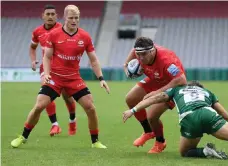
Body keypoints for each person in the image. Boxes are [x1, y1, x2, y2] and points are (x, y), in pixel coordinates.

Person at [11, 4, 110, 149]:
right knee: (39, 106)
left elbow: (93, 59)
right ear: (65, 18)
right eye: (71, 18)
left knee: (91, 108)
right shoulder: (54, 34)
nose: (74, 20)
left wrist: (101, 79)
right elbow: (47, 56)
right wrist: (47, 74)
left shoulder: (85, 36)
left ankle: (95, 142)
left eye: (76, 18)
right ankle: (23, 136)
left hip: (74, 78)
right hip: (55, 78)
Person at [123, 81, 228, 161]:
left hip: (189, 118)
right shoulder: (207, 92)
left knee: (185, 152)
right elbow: (225, 115)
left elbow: (154, 98)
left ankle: (206, 151)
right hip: (208, 114)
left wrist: (133, 110)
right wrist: (214, 127)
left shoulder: (177, 90)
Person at [124, 37, 187, 153]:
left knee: (152, 116)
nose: (141, 58)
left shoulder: (167, 60)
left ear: (152, 51)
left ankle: (160, 141)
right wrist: (126, 64)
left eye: (144, 54)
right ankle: (148, 132)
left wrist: (157, 92)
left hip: (173, 85)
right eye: (139, 54)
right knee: (130, 98)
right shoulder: (140, 51)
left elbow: (181, 80)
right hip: (156, 78)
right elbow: (134, 50)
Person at [30, 4, 77, 136]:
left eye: (53, 14)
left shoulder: (63, 29)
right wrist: (33, 60)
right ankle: (55, 125)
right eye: (48, 14)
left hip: (63, 70)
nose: (50, 16)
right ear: (43, 16)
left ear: (57, 16)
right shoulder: (37, 32)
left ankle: (72, 120)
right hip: (46, 68)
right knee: (45, 95)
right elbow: (32, 47)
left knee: (67, 98)